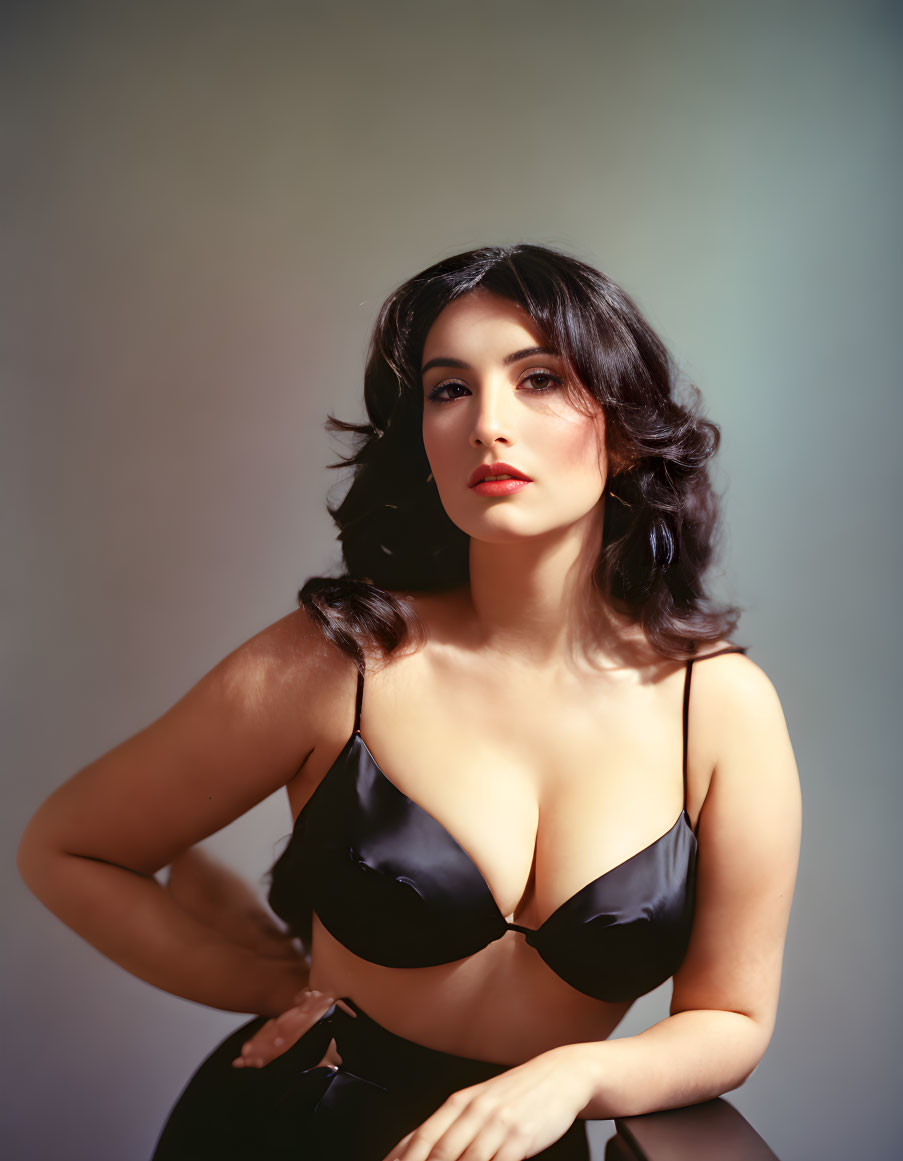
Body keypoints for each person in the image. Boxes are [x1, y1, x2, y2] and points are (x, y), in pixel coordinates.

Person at [16, 243, 802, 1161]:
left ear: (621, 430)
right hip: (290, 1130)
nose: (487, 425)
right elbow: (67, 846)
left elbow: (732, 1016)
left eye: (539, 379)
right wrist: (267, 983)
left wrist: (571, 1075)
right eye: (447, 389)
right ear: (421, 438)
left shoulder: (718, 709)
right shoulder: (340, 662)